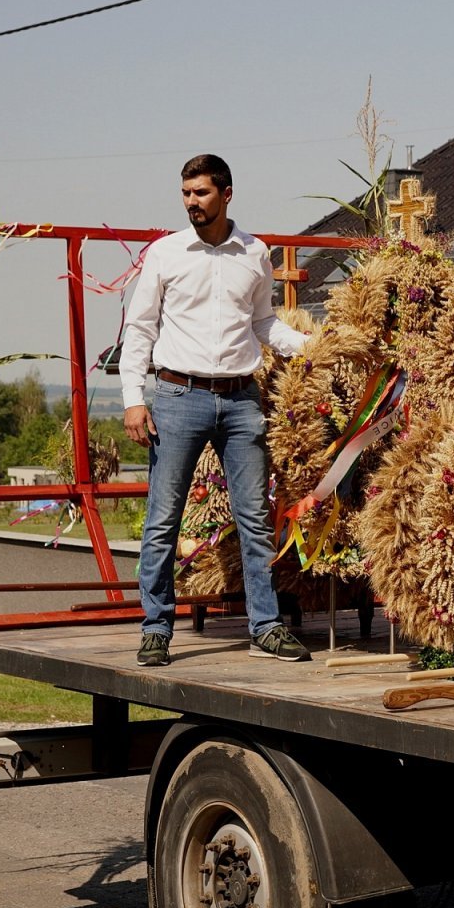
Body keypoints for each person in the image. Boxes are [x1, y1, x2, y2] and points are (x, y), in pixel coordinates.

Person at [120, 154, 312, 667]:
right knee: (163, 520)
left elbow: (264, 324)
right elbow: (139, 328)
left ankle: (266, 627)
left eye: (201, 193)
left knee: (254, 518)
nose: (191, 203)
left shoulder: (255, 253)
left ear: (226, 193)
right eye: (186, 193)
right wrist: (134, 400)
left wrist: (311, 344)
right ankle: (156, 628)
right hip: (177, 397)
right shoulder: (164, 253)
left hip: (242, 399)